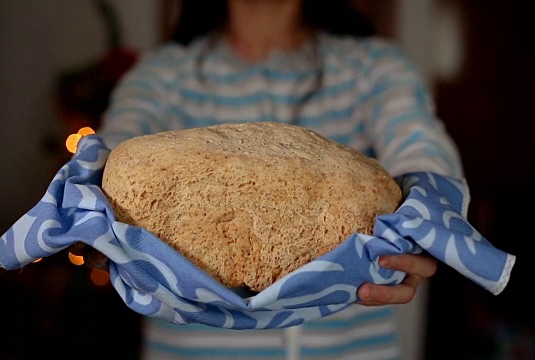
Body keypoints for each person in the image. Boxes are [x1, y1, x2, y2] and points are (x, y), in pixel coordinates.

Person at [80, 0, 463, 358]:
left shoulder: (372, 68)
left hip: (351, 347)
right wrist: (87, 208)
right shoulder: (163, 75)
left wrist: (430, 216)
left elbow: (422, 152)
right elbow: (114, 154)